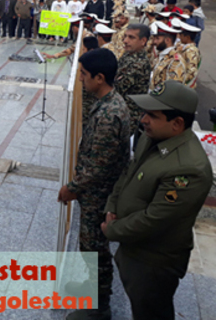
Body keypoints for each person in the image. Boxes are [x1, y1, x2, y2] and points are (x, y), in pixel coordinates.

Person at [102, 81, 213, 320]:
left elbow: (155, 219)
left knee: (151, 312)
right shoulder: (152, 137)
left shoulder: (188, 168)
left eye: (152, 115)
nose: (143, 119)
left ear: (177, 123)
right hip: (133, 248)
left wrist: (113, 229)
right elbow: (129, 172)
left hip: (152, 262)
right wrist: (112, 205)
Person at [59, 48, 131, 320]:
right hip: (97, 192)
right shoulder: (107, 103)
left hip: (99, 195)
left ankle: (99, 307)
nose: (80, 79)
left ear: (100, 78)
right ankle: (93, 288)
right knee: (90, 247)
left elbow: (98, 166)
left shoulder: (109, 113)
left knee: (96, 249)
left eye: (84, 74)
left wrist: (71, 188)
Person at [114, 24, 151, 132]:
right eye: (125, 36)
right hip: (118, 111)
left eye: (131, 37)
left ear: (143, 41)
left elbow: (117, 87)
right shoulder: (127, 55)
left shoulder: (139, 63)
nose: (125, 41)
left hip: (126, 117)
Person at [149, 21, 185, 92]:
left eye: (157, 39)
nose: (154, 42)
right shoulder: (162, 55)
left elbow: (172, 90)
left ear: (167, 40)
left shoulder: (175, 61)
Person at [171, 19, 201, 89]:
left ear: (187, 37)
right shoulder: (185, 47)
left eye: (181, 35)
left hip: (184, 86)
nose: (179, 37)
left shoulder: (191, 51)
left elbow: (191, 72)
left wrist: (177, 80)